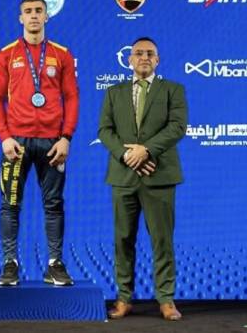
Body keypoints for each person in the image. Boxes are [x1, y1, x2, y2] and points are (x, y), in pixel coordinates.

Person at [0, 0, 79, 286]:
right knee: (10, 204)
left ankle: (54, 264)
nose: (33, 16)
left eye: (39, 11)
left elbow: (71, 97)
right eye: (28, 11)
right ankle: (10, 263)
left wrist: (66, 137)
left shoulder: (62, 54)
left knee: (54, 204)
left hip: (52, 143)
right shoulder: (6, 54)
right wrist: (5, 137)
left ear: (46, 16)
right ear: (21, 18)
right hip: (17, 143)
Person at [98, 37, 187, 321]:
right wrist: (127, 155)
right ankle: (124, 298)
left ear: (157, 60)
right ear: (130, 60)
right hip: (123, 176)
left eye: (150, 53)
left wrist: (145, 151)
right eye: (139, 53)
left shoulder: (173, 90)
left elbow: (177, 127)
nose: (144, 57)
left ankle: (166, 299)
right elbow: (105, 130)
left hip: (160, 176)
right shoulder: (113, 92)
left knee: (162, 241)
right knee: (123, 239)